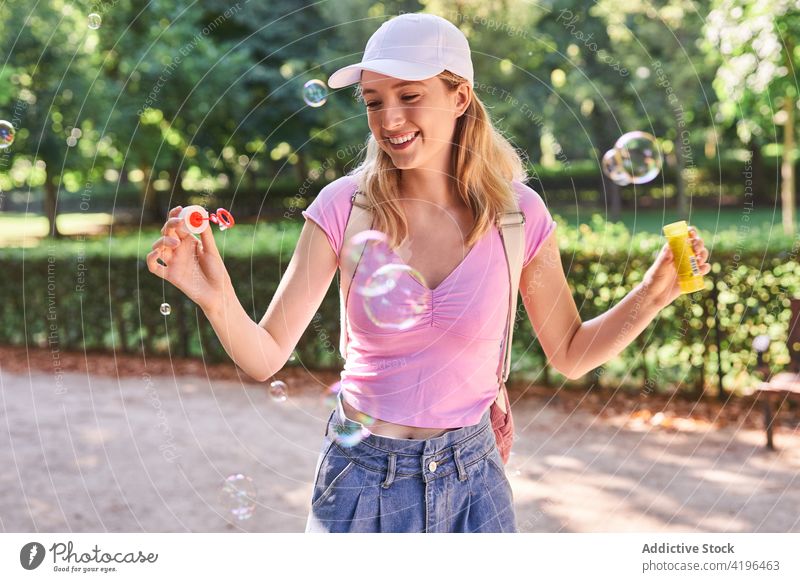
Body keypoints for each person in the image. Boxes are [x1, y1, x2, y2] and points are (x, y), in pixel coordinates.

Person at [146, 12, 710, 533]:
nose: (389, 119)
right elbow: (267, 353)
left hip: (475, 480)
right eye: (372, 101)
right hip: (359, 479)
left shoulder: (518, 217)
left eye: (409, 95)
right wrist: (213, 295)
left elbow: (569, 350)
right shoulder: (344, 207)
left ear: (459, 96)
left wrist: (655, 292)